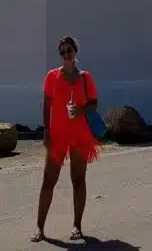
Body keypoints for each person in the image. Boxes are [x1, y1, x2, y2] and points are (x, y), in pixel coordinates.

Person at [32, 36, 100, 243]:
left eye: (69, 50)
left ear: (75, 52)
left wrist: (79, 110)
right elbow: (46, 104)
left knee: (78, 181)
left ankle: (77, 226)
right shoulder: (52, 76)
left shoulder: (85, 77)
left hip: (80, 134)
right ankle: (39, 228)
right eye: (62, 52)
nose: (66, 54)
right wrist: (46, 130)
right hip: (58, 134)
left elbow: (94, 104)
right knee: (48, 181)